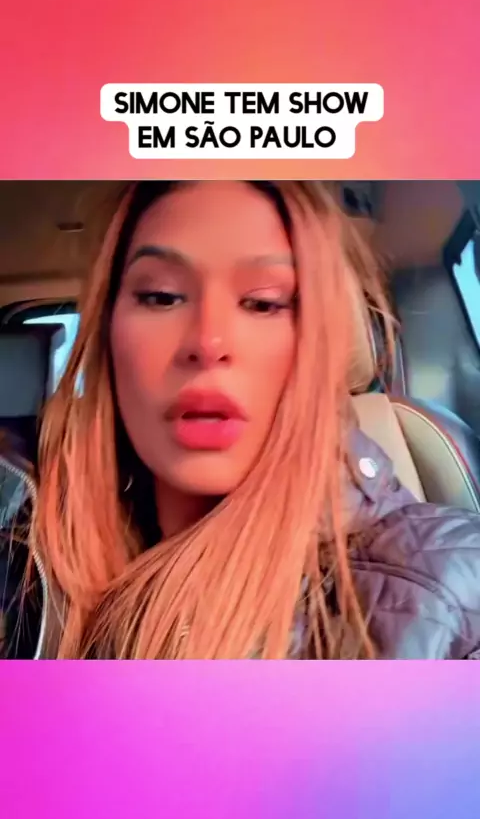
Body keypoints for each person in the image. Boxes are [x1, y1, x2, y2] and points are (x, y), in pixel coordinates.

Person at [1, 180, 480, 660]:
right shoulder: (22, 520)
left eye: (264, 303)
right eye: (162, 296)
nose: (208, 342)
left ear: (319, 344)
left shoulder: (453, 596)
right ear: (107, 335)